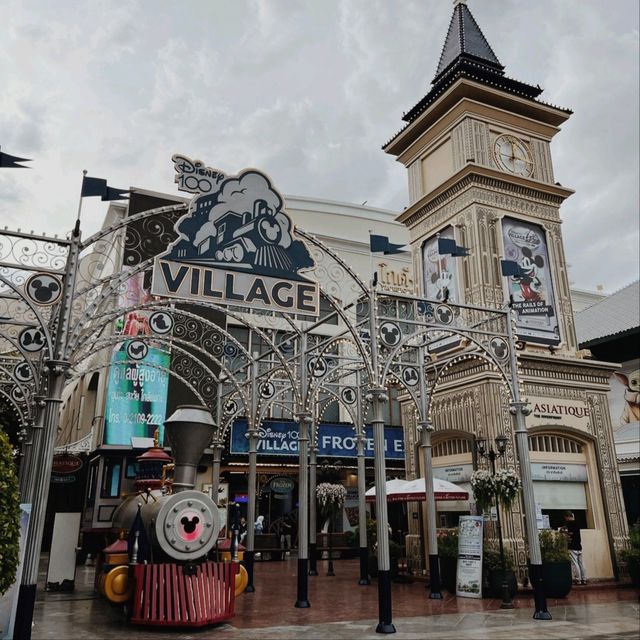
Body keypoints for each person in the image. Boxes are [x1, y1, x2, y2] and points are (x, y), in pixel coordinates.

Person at [563, 511, 587, 584]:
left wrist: (564, 532)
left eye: (565, 518)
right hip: (579, 546)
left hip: (572, 546)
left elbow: (571, 533)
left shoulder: (570, 524)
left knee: (574, 563)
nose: (565, 519)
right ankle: (584, 579)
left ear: (567, 516)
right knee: (581, 563)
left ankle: (578, 580)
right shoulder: (577, 523)